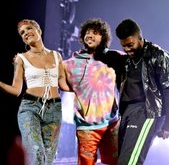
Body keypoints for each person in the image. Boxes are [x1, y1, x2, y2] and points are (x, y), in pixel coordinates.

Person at [0, 19, 70, 165]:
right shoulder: (21, 58)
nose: (26, 33)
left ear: (39, 30)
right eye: (22, 33)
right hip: (30, 108)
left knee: (48, 158)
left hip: (54, 109)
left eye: (29, 28)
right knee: (36, 152)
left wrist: (84, 89)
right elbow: (16, 90)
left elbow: (63, 84)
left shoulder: (57, 56)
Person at [64, 18, 120, 165]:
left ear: (103, 37)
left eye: (94, 33)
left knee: (116, 162)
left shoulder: (114, 57)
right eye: (87, 32)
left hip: (112, 123)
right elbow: (57, 79)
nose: (89, 35)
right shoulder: (72, 62)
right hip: (87, 126)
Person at [115, 18, 169, 165]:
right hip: (127, 112)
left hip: (148, 111)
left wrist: (168, 124)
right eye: (123, 46)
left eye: (130, 44)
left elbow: (168, 89)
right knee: (122, 159)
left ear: (140, 38)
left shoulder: (158, 56)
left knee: (129, 161)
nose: (127, 49)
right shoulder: (126, 60)